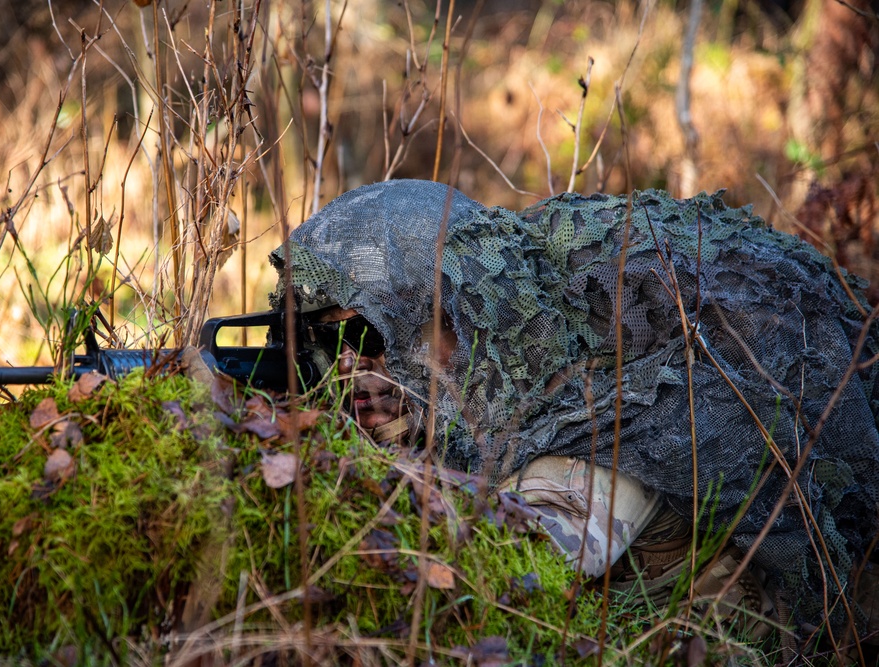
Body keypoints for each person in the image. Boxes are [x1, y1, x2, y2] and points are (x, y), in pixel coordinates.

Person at [261, 180, 879, 651]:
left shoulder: (608, 429)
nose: (351, 371)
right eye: (325, 345)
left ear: (464, 319)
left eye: (372, 334)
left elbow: (492, 581)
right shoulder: (500, 400)